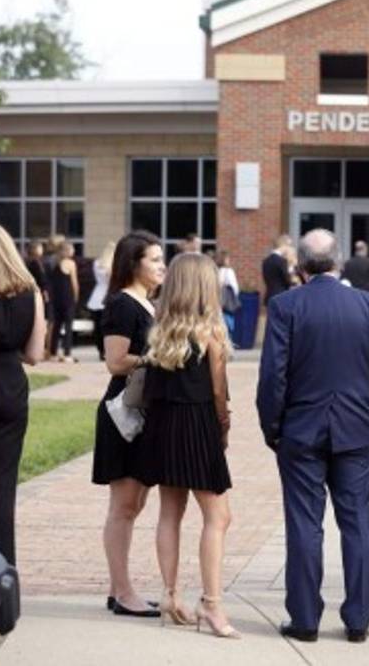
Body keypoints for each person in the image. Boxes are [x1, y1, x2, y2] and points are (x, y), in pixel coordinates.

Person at [257, 229, 369, 643]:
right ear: (337, 262)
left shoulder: (285, 306)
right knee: (357, 523)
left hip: (301, 431)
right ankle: (358, 619)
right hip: (356, 430)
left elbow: (273, 377)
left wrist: (273, 427)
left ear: (298, 266)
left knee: (304, 524)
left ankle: (304, 618)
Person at [136, 253, 237, 637]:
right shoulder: (210, 330)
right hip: (197, 426)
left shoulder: (159, 330)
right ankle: (211, 604)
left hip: (162, 427)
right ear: (204, 287)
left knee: (170, 512)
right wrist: (224, 428)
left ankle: (169, 594)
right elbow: (217, 391)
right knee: (219, 517)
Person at [92, 230, 166, 617]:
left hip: (142, 414)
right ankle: (123, 593)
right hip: (123, 414)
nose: (161, 266)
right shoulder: (122, 304)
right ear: (133, 263)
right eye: (154, 260)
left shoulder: (150, 303)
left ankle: (118, 588)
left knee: (134, 504)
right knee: (123, 506)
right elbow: (116, 361)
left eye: (160, 259)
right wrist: (158, 359)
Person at [0, 221, 47, 565]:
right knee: (3, 488)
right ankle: (2, 573)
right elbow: (34, 354)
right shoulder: (29, 290)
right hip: (10, 389)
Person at [48, 240, 79, 362]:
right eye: (72, 249)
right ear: (67, 251)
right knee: (68, 325)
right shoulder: (70, 263)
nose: (74, 251)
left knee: (56, 325)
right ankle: (67, 353)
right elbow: (74, 282)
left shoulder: (54, 262)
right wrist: (76, 297)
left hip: (56, 298)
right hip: (68, 298)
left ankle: (53, 352)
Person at [86, 241, 115, 361]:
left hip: (96, 297)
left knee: (97, 327)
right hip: (108, 297)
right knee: (107, 328)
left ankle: (100, 351)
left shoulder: (97, 263)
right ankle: (106, 351)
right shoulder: (114, 264)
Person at [262, 234, 294, 307]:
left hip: (269, 296)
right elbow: (288, 281)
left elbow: (266, 279)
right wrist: (291, 269)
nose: (290, 248)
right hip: (281, 298)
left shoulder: (266, 261)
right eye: (289, 246)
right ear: (284, 245)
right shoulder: (282, 261)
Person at [216, 250, 240, 340]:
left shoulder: (216, 270)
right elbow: (235, 288)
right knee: (229, 325)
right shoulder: (229, 271)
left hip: (218, 302)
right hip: (228, 303)